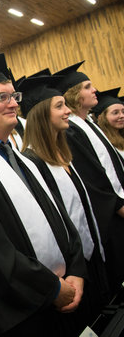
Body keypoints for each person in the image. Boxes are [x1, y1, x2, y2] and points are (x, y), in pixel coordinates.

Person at [0, 53, 87, 337]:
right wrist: (52, 288)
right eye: (1, 97)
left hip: (67, 289)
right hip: (28, 311)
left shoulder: (19, 156)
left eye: (13, 95)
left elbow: (57, 214)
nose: (13, 103)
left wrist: (77, 269)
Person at [19, 75, 109, 327]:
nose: (68, 110)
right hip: (72, 271)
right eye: (59, 106)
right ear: (40, 116)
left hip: (90, 260)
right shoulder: (32, 162)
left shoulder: (62, 153)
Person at [56, 62, 124, 292]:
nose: (94, 90)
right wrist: (119, 206)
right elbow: (91, 179)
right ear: (75, 95)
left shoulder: (88, 124)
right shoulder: (72, 131)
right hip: (109, 218)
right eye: (87, 86)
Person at [93, 87, 124, 157]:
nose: (122, 115)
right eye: (115, 113)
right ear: (100, 118)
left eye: (123, 111)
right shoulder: (102, 143)